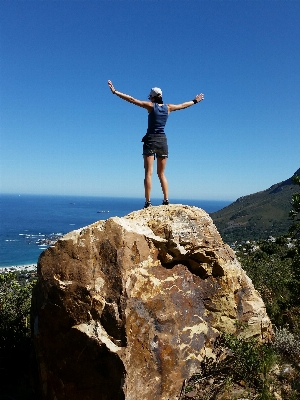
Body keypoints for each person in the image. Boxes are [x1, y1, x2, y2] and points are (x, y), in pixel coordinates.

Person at [107, 80, 204, 208]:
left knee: (148, 173)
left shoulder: (150, 106)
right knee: (162, 173)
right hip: (162, 141)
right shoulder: (168, 107)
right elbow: (182, 105)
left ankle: (148, 202)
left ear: (152, 97)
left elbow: (132, 99)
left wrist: (115, 92)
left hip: (151, 140)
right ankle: (166, 200)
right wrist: (195, 101)